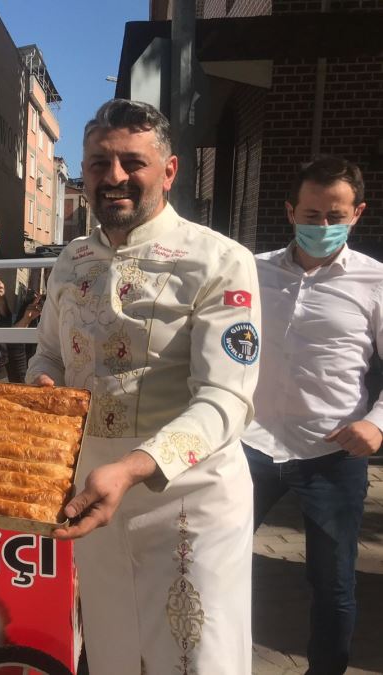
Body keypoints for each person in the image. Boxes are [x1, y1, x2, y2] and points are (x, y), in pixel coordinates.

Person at [26, 99, 260, 674]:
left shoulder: (220, 260)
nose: (115, 178)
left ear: (170, 170)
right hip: (94, 498)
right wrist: (43, 388)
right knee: (113, 653)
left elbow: (227, 397)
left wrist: (134, 467)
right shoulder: (70, 261)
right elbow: (48, 353)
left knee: (195, 657)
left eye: (133, 162)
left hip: (188, 499)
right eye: (99, 163)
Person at [241, 156, 383, 675]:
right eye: (311, 214)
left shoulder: (375, 282)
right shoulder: (249, 270)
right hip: (250, 444)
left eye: (334, 216)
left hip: (332, 452)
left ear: (357, 214)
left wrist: (378, 423)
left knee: (333, 585)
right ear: (290, 212)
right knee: (216, 561)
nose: (321, 226)